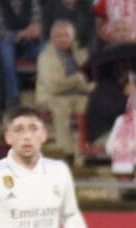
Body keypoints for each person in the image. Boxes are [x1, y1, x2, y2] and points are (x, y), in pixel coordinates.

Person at [35, 20, 94, 158]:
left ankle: (86, 152)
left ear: (73, 38)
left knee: (93, 105)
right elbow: (54, 86)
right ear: (52, 38)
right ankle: (66, 153)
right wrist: (77, 80)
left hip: (77, 95)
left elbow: (88, 80)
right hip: (51, 97)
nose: (62, 39)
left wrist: (91, 88)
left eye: (66, 35)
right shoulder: (45, 57)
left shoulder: (80, 54)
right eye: (58, 35)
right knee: (60, 107)